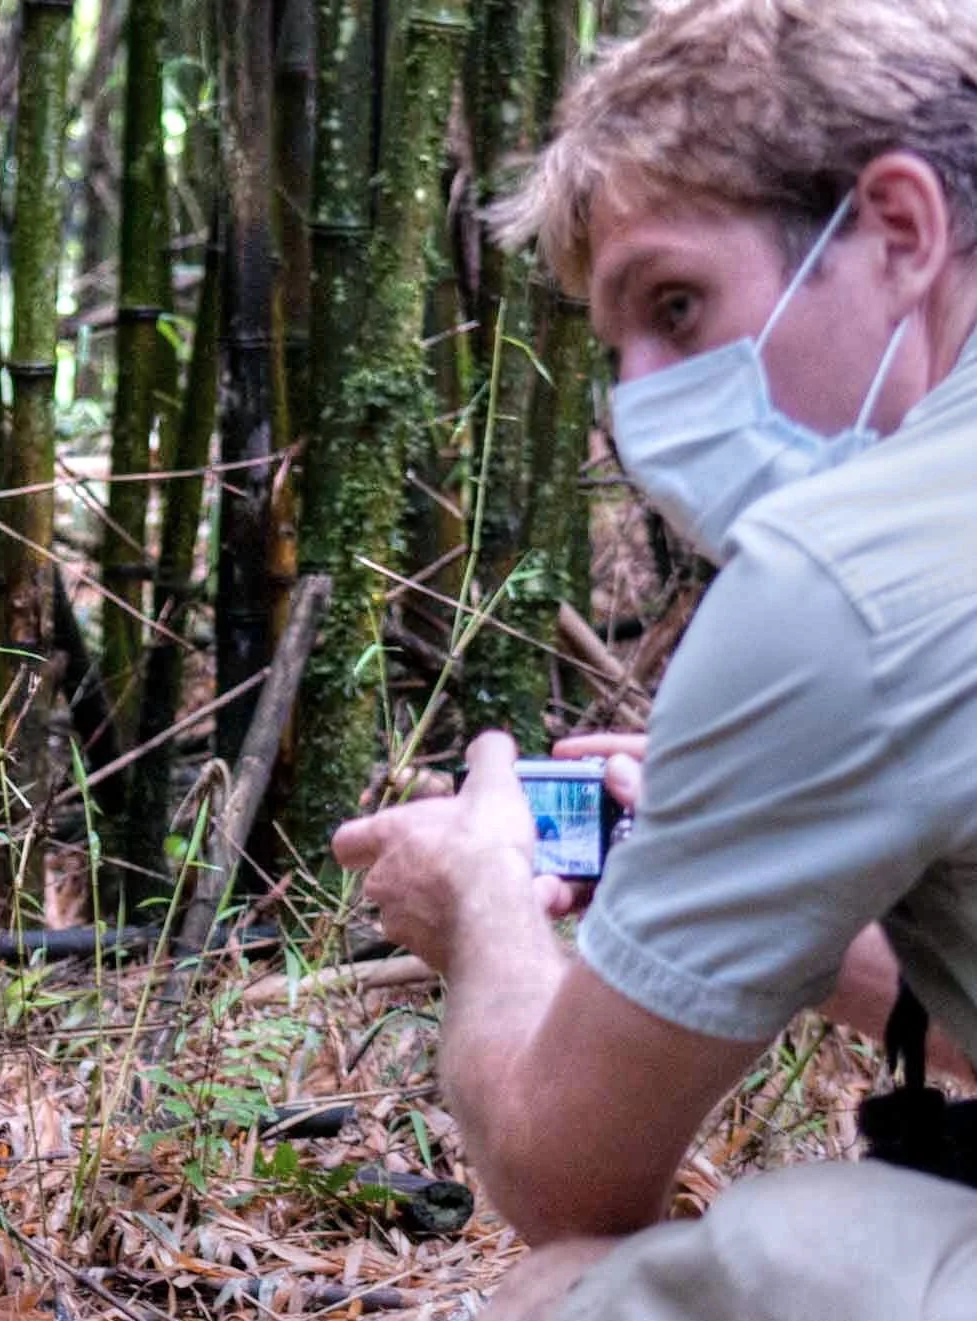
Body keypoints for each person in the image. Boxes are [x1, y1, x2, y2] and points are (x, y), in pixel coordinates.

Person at [328, 2, 977, 1317]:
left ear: (902, 232)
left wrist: (483, 904)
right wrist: (792, 908)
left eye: (676, 306)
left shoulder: (838, 578)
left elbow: (567, 1171)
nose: (638, 406)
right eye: (615, 348)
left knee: (577, 1288)